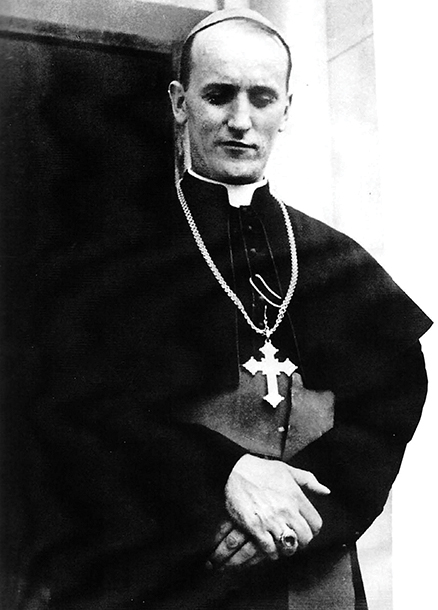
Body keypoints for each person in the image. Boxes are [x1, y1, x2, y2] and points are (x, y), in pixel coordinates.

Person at [3, 8, 432, 610]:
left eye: (262, 98)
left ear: (287, 108)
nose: (241, 121)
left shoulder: (333, 258)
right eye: (219, 95)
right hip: (161, 567)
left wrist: (302, 514)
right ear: (180, 103)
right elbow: (58, 410)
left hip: (309, 572)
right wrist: (220, 476)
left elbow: (391, 401)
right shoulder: (105, 252)